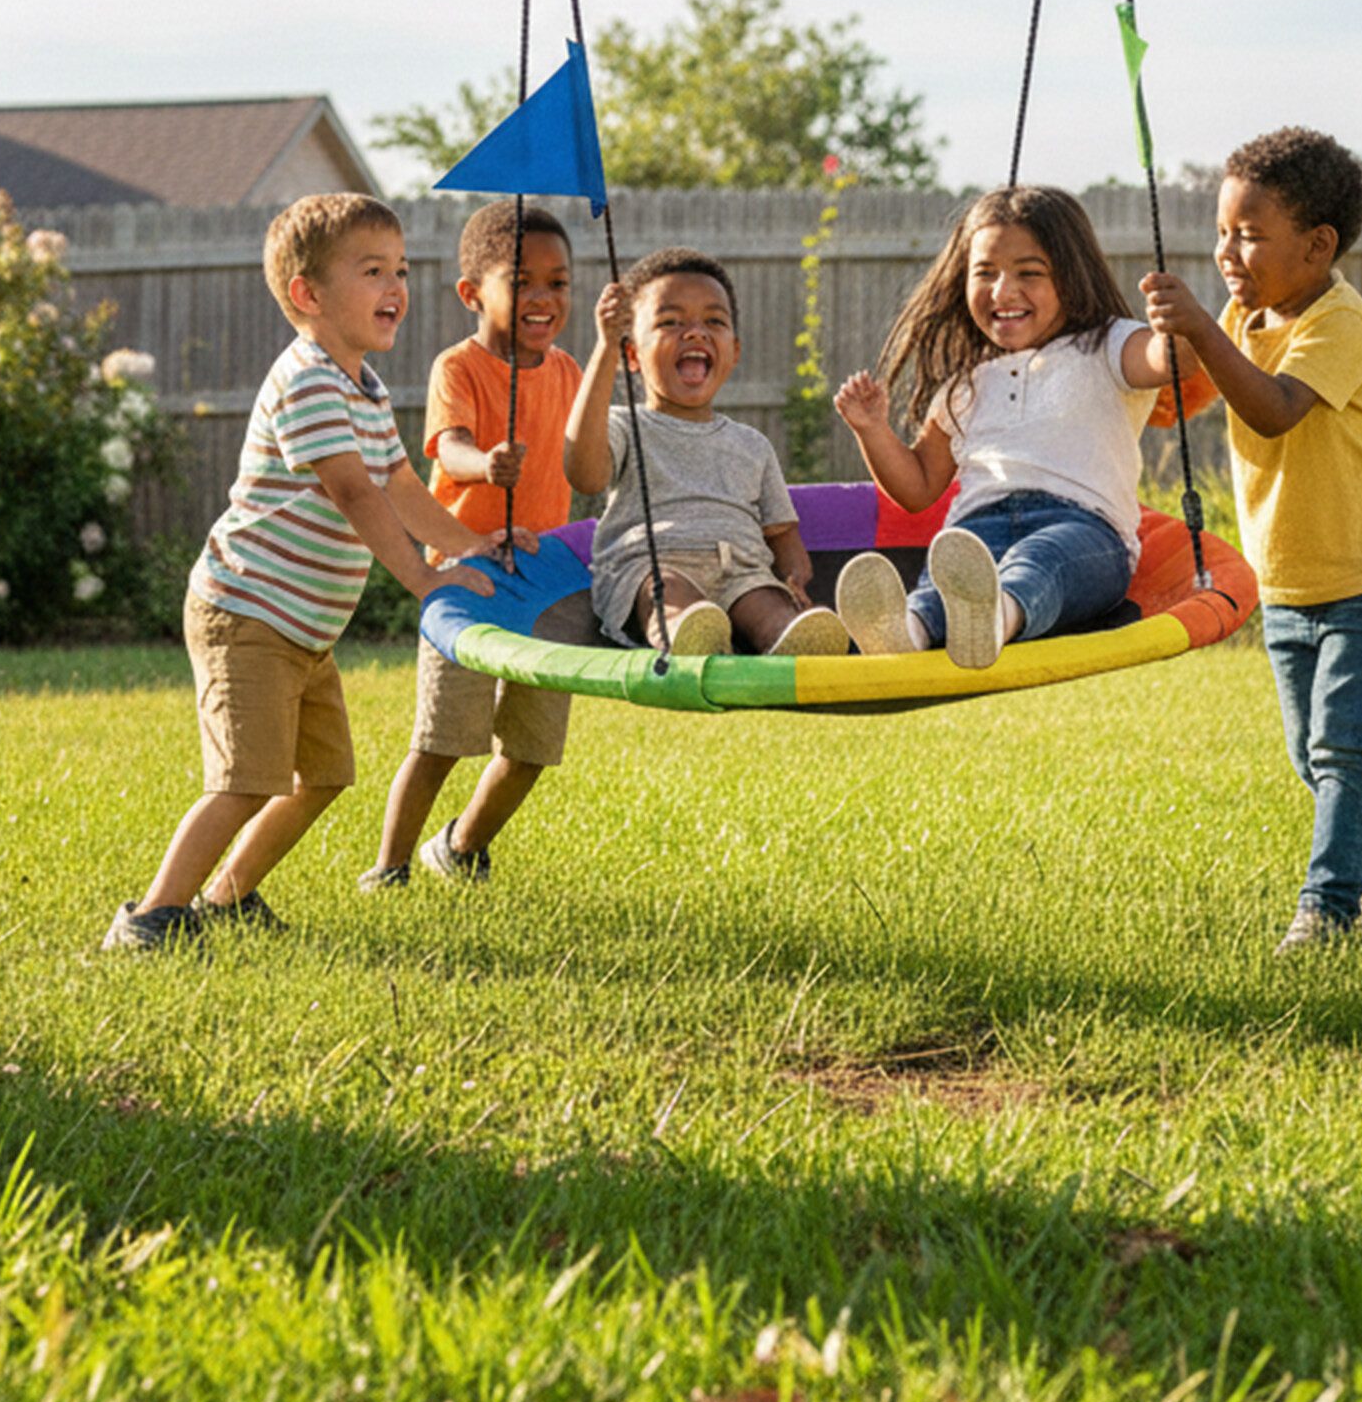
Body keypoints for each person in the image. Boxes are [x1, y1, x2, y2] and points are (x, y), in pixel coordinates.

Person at [102, 192, 520, 951]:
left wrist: (470, 546)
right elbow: (354, 492)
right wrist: (425, 582)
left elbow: (399, 484)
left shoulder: (363, 385)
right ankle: (152, 917)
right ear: (308, 294)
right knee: (243, 780)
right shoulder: (308, 380)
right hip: (249, 613)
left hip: (304, 628)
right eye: (371, 271)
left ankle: (227, 900)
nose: (395, 287)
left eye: (398, 270)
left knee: (322, 777)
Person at [1138, 127, 1362, 955]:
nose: (1229, 251)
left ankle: (1327, 910)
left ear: (1317, 245)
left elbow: (1271, 406)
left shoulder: (1340, 322)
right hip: (1289, 577)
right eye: (1223, 231)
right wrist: (1162, 361)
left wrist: (1202, 327)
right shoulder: (1242, 313)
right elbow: (1184, 401)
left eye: (1251, 234)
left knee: (1342, 745)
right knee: (1313, 758)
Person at [831, 184, 1177, 670]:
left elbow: (1166, 362)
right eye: (985, 273)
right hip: (977, 529)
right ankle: (903, 632)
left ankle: (994, 620)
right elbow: (917, 487)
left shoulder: (1107, 347)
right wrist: (872, 430)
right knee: (939, 586)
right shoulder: (965, 385)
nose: (1002, 291)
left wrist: (1175, 329)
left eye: (1028, 273)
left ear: (1071, 278)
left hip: (1085, 532)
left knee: (1042, 563)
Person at [363, 201, 582, 892]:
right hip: (469, 574)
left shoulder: (571, 372)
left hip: (547, 578)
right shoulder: (458, 367)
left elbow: (589, 455)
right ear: (472, 293)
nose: (543, 298)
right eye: (522, 282)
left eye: (558, 282)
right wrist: (485, 462)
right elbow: (447, 447)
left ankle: (459, 847)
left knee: (533, 748)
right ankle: (388, 868)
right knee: (443, 739)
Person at [564, 246, 849, 658]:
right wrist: (604, 348)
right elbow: (584, 474)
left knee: (763, 600)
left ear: (734, 352)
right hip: (654, 566)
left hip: (740, 569)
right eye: (670, 322)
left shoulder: (752, 445)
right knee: (668, 590)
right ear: (632, 355)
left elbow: (782, 531)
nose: (695, 332)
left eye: (713, 321)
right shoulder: (626, 426)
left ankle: (791, 637)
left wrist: (794, 578)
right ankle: (685, 633)